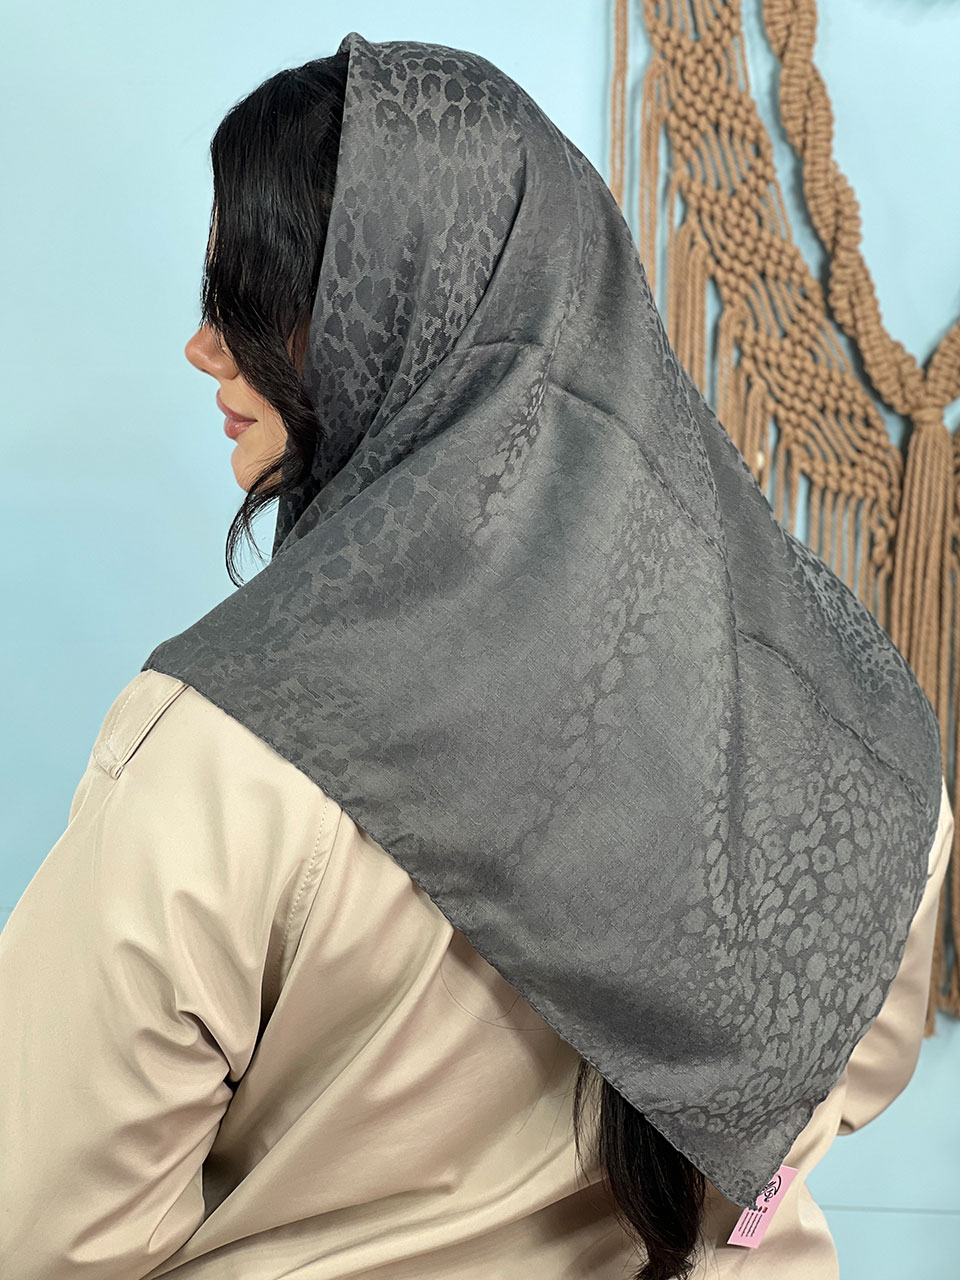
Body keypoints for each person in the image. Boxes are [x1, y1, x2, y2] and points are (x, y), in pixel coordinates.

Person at [1, 34, 952, 1280]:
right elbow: (846, 1076)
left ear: (408, 312)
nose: (205, 349)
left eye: (256, 300)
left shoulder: (221, 753)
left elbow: (44, 1232)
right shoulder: (841, 712)